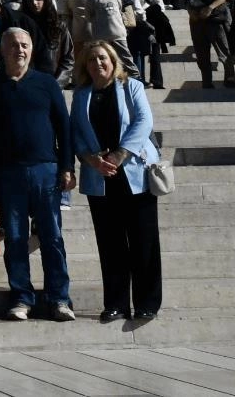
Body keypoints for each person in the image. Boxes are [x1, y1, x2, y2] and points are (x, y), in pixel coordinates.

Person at [0, 28, 75, 322]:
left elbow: (64, 126)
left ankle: (59, 299)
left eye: (24, 45)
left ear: (32, 49)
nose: (19, 50)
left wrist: (67, 167)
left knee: (52, 237)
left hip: (46, 171)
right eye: (13, 45)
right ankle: (21, 297)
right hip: (8, 173)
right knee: (14, 238)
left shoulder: (47, 83)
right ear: (2, 50)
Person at [70, 40, 163, 323]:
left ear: (113, 61)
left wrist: (120, 154)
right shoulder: (81, 95)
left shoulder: (131, 86)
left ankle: (147, 302)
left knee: (143, 240)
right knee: (110, 243)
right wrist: (91, 159)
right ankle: (116, 303)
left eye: (103, 58)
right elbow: (75, 132)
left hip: (135, 173)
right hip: (100, 175)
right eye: (91, 59)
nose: (98, 63)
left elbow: (143, 122)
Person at [180, 0, 235, 90]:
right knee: (201, 53)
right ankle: (207, 82)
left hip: (214, 18)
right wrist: (190, 10)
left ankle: (230, 79)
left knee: (223, 51)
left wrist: (210, 7)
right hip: (196, 20)